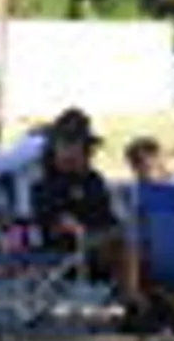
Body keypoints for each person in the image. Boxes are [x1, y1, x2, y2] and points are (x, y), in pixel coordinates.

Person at [32, 109, 137, 310]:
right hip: (66, 246)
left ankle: (147, 302)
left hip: (98, 240)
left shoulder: (93, 180)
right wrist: (73, 225)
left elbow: (107, 217)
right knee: (127, 246)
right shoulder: (46, 183)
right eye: (65, 145)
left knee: (141, 242)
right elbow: (51, 220)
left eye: (76, 146)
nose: (70, 152)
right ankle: (131, 300)